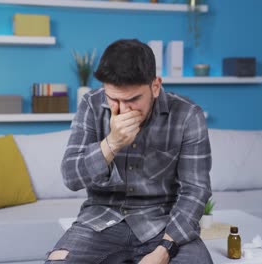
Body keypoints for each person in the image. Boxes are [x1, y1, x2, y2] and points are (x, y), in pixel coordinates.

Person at [45, 39, 213, 264]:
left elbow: (195, 191)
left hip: (163, 223)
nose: (123, 110)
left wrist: (164, 250)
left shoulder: (188, 115)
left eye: (133, 99)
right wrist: (112, 143)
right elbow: (71, 177)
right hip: (100, 219)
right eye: (113, 99)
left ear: (155, 86)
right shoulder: (91, 105)